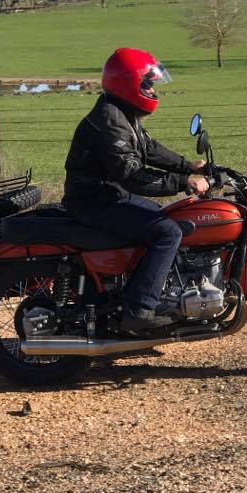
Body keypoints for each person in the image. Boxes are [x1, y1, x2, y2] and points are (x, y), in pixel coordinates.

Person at [62, 48, 209, 334]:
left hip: (109, 195)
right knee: (168, 232)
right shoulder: (110, 122)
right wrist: (184, 182)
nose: (153, 89)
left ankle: (156, 291)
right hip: (96, 202)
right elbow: (133, 176)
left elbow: (149, 149)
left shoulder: (121, 113)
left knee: (170, 218)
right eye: (147, 83)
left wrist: (187, 165)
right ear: (128, 83)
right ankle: (139, 307)